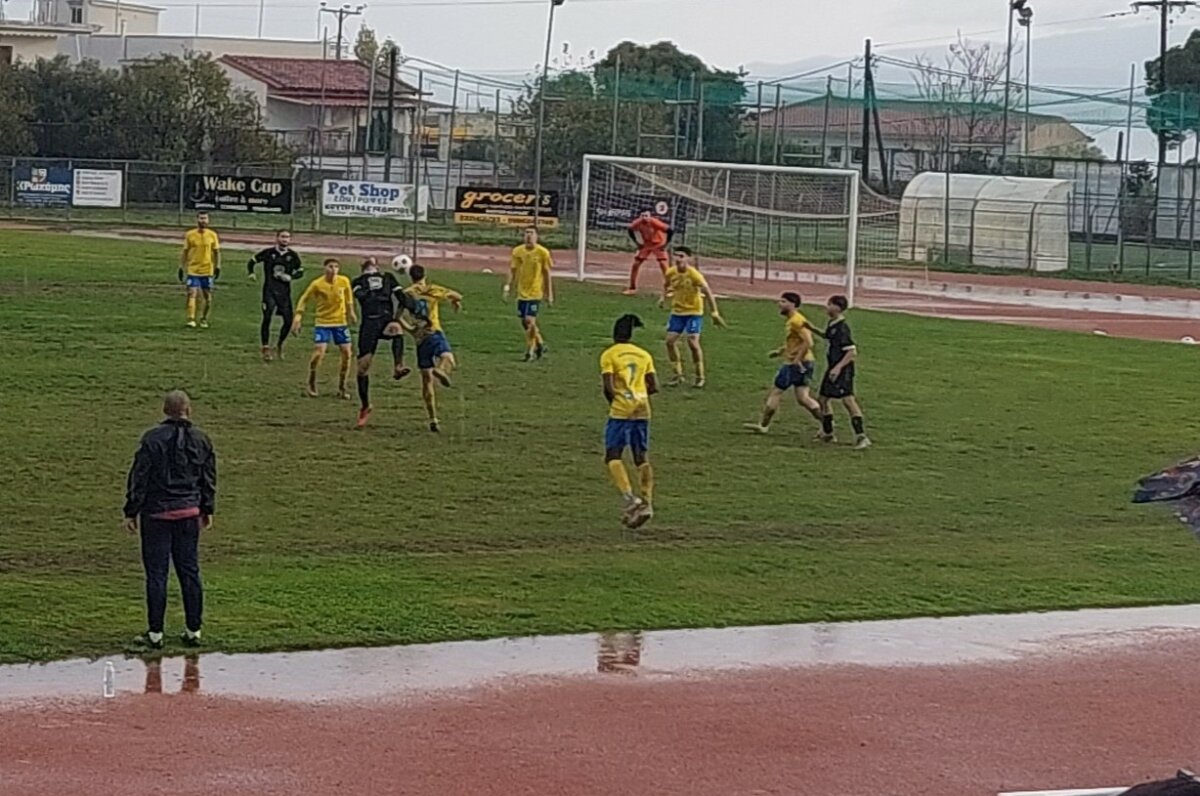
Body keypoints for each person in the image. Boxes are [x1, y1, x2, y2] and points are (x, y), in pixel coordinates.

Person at [122, 390, 216, 652]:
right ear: (189, 410)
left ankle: (155, 633)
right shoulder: (202, 439)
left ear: (165, 410)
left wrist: (131, 511)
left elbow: (139, 477)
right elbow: (208, 478)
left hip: (156, 515)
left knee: (157, 574)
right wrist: (206, 509)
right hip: (189, 513)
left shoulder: (152, 439)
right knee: (190, 571)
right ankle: (193, 630)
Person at [600, 314, 658, 529]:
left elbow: (608, 386)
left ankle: (630, 499)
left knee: (612, 455)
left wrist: (616, 401)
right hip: (643, 408)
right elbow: (654, 386)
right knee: (641, 456)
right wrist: (640, 395)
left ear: (615, 334)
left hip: (621, 409)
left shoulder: (609, 355)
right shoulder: (644, 355)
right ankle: (647, 503)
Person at [743, 292, 824, 435]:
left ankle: (763, 425)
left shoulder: (796, 321)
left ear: (792, 304)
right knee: (803, 398)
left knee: (776, 391)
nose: (779, 304)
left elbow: (809, 342)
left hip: (795, 364)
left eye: (783, 301)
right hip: (807, 362)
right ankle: (827, 426)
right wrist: (780, 351)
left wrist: (796, 359)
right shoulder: (794, 320)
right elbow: (796, 342)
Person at [351, 256, 414, 429]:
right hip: (369, 324)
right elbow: (361, 297)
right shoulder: (358, 281)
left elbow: (402, 297)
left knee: (396, 329)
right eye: (366, 260)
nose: (369, 261)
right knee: (362, 369)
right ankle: (365, 406)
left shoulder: (388, 278)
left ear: (378, 266)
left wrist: (403, 310)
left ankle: (398, 367)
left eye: (372, 260)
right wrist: (373, 291)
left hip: (386, 320)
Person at [404, 264, 463, 433]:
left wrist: (410, 330)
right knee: (448, 358)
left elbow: (397, 315)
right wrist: (455, 301)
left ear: (411, 276)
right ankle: (442, 370)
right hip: (434, 332)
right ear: (424, 275)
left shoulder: (407, 293)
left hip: (420, 339)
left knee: (426, 380)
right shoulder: (432, 289)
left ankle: (433, 418)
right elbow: (458, 295)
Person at [659, 246, 725, 389]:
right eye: (675, 255)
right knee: (669, 341)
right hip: (677, 312)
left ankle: (699, 376)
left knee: (693, 343)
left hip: (694, 312)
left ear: (688, 258)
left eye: (681, 256)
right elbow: (666, 285)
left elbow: (708, 292)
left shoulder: (694, 275)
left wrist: (714, 312)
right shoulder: (671, 272)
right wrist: (662, 298)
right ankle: (677, 374)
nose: (677, 259)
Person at [292, 258, 357, 399]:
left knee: (347, 354)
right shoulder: (317, 284)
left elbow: (349, 297)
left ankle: (342, 387)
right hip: (323, 323)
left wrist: (351, 312)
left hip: (340, 322)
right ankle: (311, 382)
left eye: (336, 267)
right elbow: (304, 298)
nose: (333, 269)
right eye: (330, 266)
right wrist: (298, 316)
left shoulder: (344, 281)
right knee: (318, 354)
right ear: (325, 268)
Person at [815, 295, 872, 450]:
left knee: (848, 400)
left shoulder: (842, 328)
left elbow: (851, 352)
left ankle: (862, 436)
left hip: (842, 368)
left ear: (838, 308)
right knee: (822, 398)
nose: (826, 307)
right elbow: (827, 336)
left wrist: (838, 368)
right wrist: (807, 327)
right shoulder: (833, 323)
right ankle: (828, 432)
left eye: (829, 304)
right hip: (833, 366)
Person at [247, 229, 304, 362]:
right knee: (267, 317)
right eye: (282, 237)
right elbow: (253, 260)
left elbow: (300, 270)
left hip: (284, 293)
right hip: (269, 291)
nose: (285, 240)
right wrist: (251, 272)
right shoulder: (268, 253)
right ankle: (266, 347)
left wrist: (291, 277)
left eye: (287, 237)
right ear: (277, 238)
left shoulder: (293, 255)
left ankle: (279, 345)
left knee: (288, 321)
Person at [503, 226, 554, 361]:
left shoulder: (543, 253)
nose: (529, 236)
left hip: (535, 292)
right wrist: (507, 287)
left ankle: (530, 351)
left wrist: (549, 294)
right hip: (522, 292)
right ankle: (540, 343)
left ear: (537, 236)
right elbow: (512, 270)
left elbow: (547, 274)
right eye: (526, 233)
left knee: (529, 321)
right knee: (525, 322)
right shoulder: (518, 251)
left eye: (531, 233)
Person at [179, 212, 221, 329]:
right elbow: (185, 252)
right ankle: (191, 319)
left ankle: (204, 318)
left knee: (207, 297)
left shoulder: (212, 235)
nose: (203, 220)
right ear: (197, 220)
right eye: (201, 218)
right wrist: (182, 267)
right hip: (193, 270)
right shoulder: (190, 235)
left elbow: (216, 252)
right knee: (192, 294)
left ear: (208, 220)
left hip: (207, 270)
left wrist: (218, 267)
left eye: (205, 218)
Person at [624, 209, 673, 296]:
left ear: (650, 216)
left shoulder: (655, 222)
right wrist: (637, 243)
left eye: (646, 216)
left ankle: (670, 288)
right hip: (647, 244)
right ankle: (632, 288)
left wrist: (665, 244)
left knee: (663, 264)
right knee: (636, 264)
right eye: (642, 216)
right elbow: (630, 230)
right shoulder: (638, 223)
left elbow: (670, 230)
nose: (644, 218)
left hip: (658, 244)